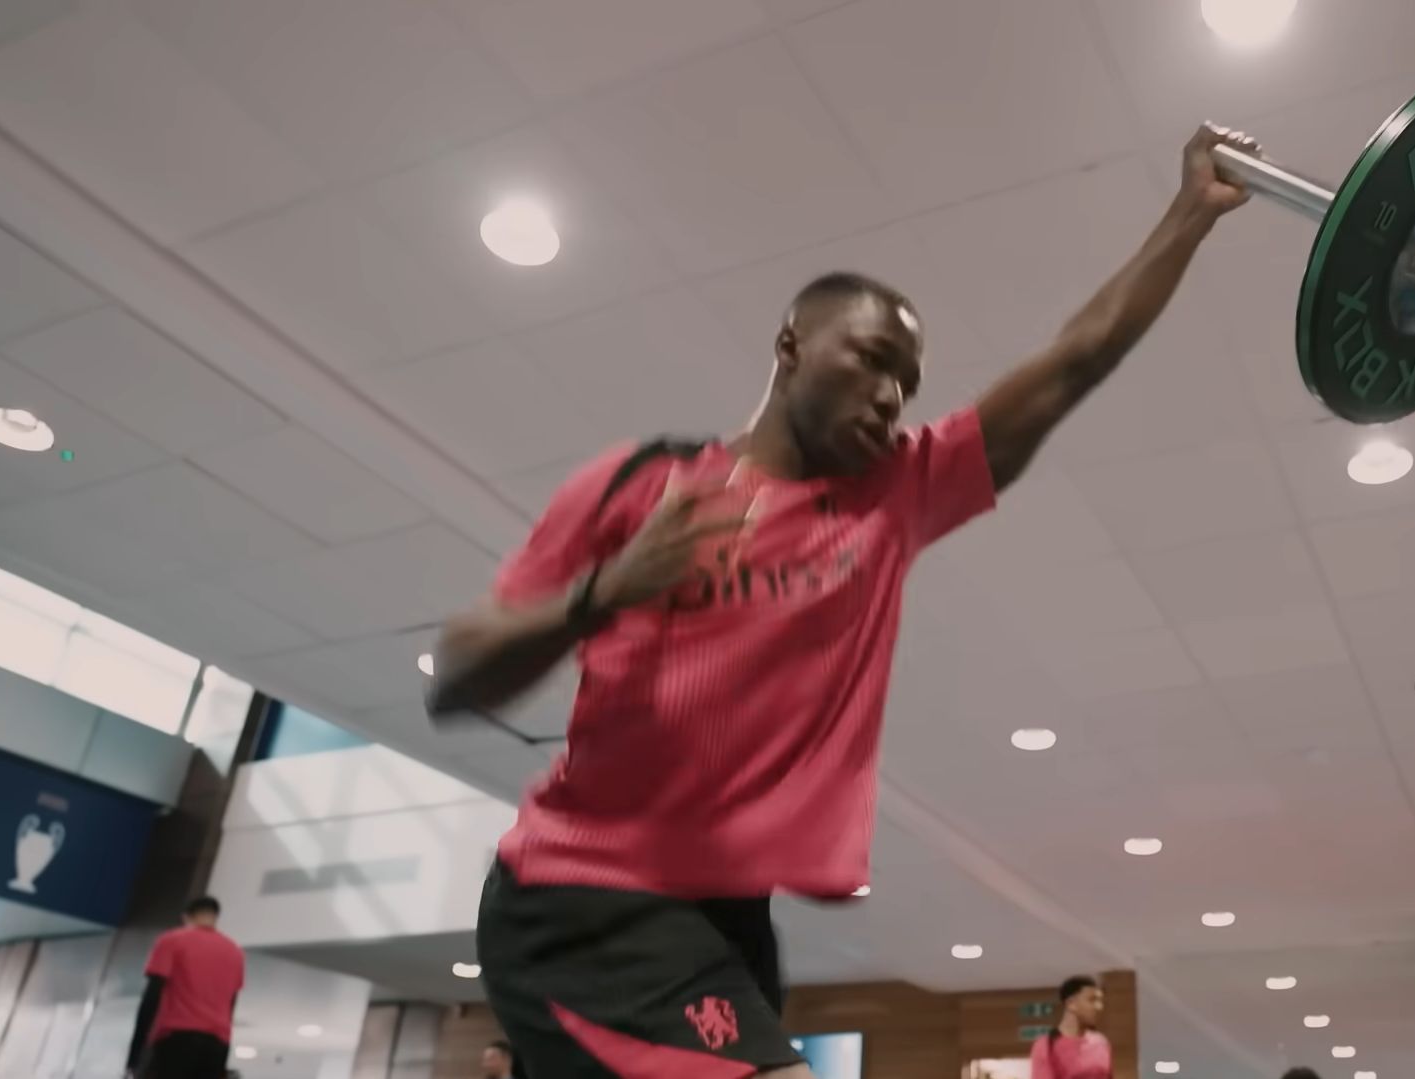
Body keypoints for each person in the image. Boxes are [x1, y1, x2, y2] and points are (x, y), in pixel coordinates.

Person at [427, 122, 1261, 1079]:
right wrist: (603, 593)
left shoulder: (895, 494)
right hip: (585, 900)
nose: (889, 396)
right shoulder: (638, 486)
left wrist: (1189, 213)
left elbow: (1079, 356)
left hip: (726, 912)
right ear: (789, 344)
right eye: (867, 358)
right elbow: (456, 677)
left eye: (905, 382)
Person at [127, 896, 245, 1079]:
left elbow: (152, 996)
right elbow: (230, 1006)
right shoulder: (235, 952)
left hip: (175, 1040)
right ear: (215, 917)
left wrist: (135, 1054)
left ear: (186, 917)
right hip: (217, 1045)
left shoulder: (172, 940)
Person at [1030, 975, 1111, 1079]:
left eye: (1100, 1001)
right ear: (1071, 1004)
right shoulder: (1047, 1046)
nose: (1099, 1007)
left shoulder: (1101, 1042)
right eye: (1092, 1000)